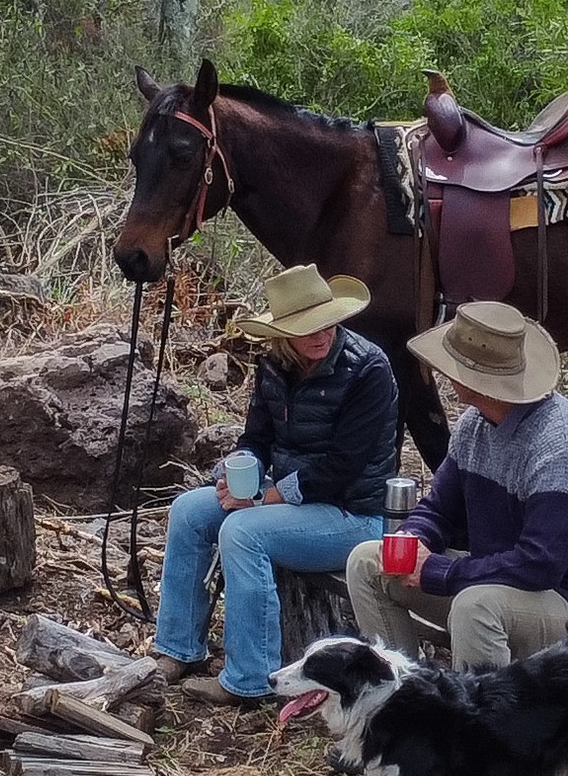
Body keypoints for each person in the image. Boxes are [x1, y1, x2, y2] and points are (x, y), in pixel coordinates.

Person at [156, 264, 401, 705]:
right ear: (283, 333)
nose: (321, 335)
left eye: (327, 323)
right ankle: (179, 649)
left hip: (354, 514)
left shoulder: (368, 369)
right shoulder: (273, 365)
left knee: (243, 533)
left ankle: (250, 679)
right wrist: (236, 473)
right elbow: (256, 439)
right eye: (307, 328)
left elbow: (342, 467)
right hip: (295, 501)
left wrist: (265, 496)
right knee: (190, 512)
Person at [345, 300, 568, 668]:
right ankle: (401, 702)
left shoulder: (562, 446)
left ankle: (485, 720)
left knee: (475, 607)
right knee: (367, 563)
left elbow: (540, 564)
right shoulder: (475, 426)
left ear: (478, 380)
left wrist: (441, 573)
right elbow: (438, 509)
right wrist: (412, 543)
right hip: (495, 579)